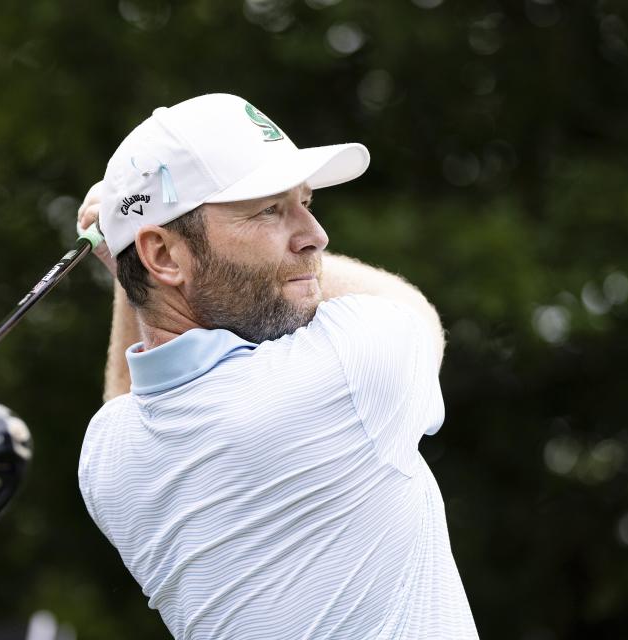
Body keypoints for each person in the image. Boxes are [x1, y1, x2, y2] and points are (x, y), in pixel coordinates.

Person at [76, 93, 477, 639]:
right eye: (268, 209)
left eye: (305, 201)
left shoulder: (105, 460)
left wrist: (132, 269)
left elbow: (129, 394)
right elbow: (415, 314)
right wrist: (127, 256)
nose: (315, 234)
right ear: (167, 256)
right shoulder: (347, 367)